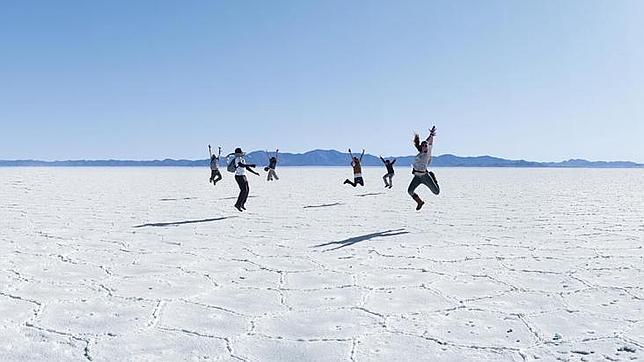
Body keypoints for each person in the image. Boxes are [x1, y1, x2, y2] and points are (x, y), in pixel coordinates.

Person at [408, 126, 440, 210]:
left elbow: (429, 142)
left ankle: (432, 177)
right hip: (417, 177)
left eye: (427, 146)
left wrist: (431, 135)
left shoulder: (427, 153)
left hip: (425, 176)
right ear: (421, 147)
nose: (426, 147)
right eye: (424, 146)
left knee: (436, 192)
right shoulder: (418, 155)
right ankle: (420, 202)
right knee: (410, 191)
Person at [229, 147, 259, 212]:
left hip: (243, 175)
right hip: (239, 176)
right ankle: (237, 204)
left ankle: (242, 204)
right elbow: (241, 165)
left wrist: (254, 172)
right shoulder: (237, 159)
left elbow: (246, 167)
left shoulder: (242, 159)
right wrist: (251, 165)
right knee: (243, 190)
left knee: (247, 190)